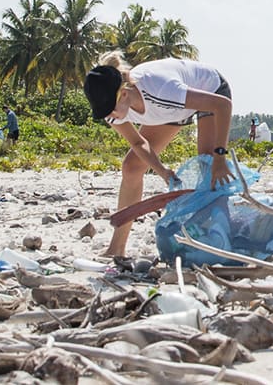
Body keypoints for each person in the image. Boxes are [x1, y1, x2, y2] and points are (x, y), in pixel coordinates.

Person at [84, 51, 234, 258]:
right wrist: (162, 171)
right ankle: (116, 248)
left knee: (207, 166)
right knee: (132, 167)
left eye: (110, 110)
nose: (109, 117)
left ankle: (223, 241)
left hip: (209, 91)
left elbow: (222, 105)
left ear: (124, 94)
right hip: (170, 110)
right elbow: (138, 143)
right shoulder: (113, 110)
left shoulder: (163, 89)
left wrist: (220, 157)